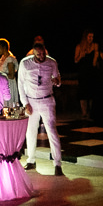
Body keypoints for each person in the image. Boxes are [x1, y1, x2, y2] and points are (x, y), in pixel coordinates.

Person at [18, 40, 65, 175]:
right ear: (33, 53)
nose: (41, 57)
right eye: (38, 54)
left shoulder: (52, 62)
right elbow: (20, 84)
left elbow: (57, 79)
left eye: (43, 54)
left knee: (51, 130)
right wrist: (25, 103)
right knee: (31, 132)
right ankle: (31, 160)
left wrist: (57, 81)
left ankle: (57, 164)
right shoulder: (25, 63)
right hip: (31, 101)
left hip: (47, 100)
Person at [73, 30, 100, 118]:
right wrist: (81, 55)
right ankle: (84, 112)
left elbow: (95, 60)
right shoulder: (79, 47)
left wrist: (95, 60)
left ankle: (91, 111)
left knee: (91, 92)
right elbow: (75, 60)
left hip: (91, 72)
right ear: (85, 37)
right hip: (83, 72)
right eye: (89, 37)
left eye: (92, 37)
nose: (91, 39)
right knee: (83, 93)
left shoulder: (95, 46)